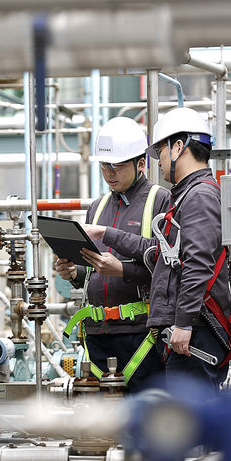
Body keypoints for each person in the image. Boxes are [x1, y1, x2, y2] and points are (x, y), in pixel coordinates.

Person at [84, 107, 231, 389]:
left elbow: (197, 265)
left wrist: (184, 323)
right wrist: (106, 234)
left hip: (194, 331)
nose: (160, 163)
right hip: (180, 330)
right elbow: (159, 254)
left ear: (179, 147)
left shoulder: (198, 196)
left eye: (161, 154)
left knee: (187, 423)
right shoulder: (187, 195)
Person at [55, 116, 171, 392]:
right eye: (104, 166)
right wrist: (75, 273)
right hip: (97, 335)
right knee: (102, 427)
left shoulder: (160, 200)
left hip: (140, 335)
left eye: (117, 166)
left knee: (144, 418)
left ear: (141, 163)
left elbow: (167, 270)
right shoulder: (97, 206)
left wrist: (121, 270)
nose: (109, 173)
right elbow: (94, 269)